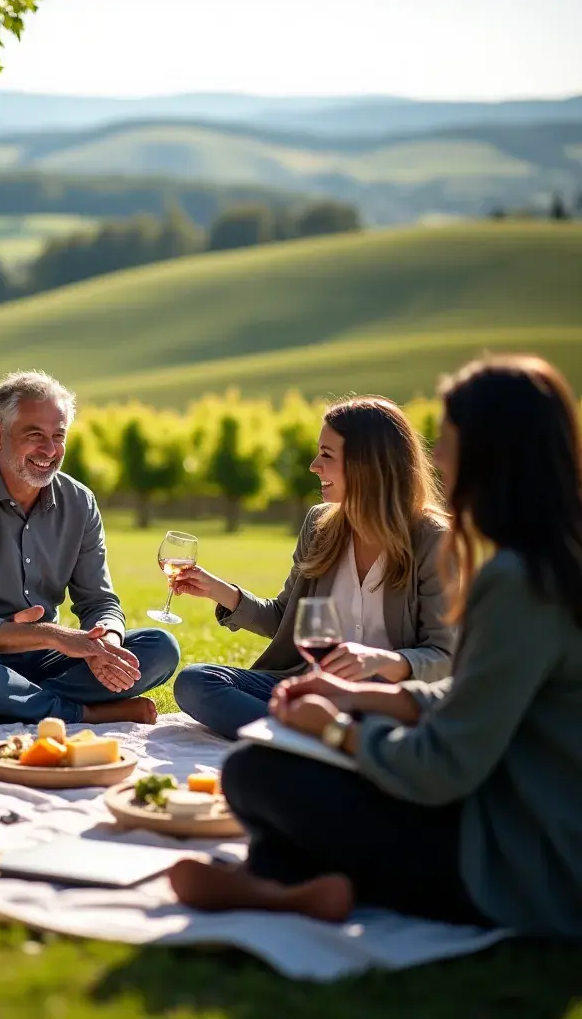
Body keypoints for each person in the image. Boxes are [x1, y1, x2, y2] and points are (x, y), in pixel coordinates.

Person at [169, 355, 582, 936]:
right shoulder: (552, 564)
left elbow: (443, 764)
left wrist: (338, 731)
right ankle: (287, 885)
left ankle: (280, 884)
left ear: (493, 453)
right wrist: (350, 697)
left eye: (451, 439)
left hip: (522, 865)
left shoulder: (511, 580)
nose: (437, 457)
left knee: (258, 775)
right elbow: (474, 697)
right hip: (518, 824)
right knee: (259, 763)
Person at [0, 370, 181, 728]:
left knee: (159, 648)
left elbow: (99, 603)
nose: (49, 450)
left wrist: (106, 644)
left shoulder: (80, 503)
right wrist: (55, 636)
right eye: (34, 435)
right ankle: (85, 713)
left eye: (58, 436)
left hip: (42, 658)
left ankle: (0, 707)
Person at [172, 396, 455, 740]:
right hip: (310, 685)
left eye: (327, 455)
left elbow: (444, 656)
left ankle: (300, 733)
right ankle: (326, 736)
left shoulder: (432, 539)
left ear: (368, 463)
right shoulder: (319, 525)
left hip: (382, 696)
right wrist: (220, 591)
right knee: (195, 681)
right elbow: (285, 620)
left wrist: (379, 661)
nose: (313, 466)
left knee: (394, 715)